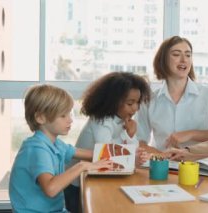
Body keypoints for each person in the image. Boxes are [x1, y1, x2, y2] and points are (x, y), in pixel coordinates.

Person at [9, 84, 114, 212]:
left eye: (69, 114)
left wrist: (126, 157)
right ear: (40, 117)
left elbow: (91, 154)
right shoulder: (37, 149)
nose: (70, 120)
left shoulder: (56, 144)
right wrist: (82, 166)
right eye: (63, 116)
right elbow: (51, 189)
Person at [64, 71, 151, 213]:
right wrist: (127, 135)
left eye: (137, 102)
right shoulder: (101, 120)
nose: (135, 108)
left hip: (99, 174)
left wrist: (132, 141)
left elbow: (132, 149)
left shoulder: (122, 118)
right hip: (77, 181)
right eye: (130, 103)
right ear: (113, 101)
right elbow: (106, 150)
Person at [136, 36, 208, 152]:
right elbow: (139, 141)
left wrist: (191, 134)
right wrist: (162, 157)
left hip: (199, 165)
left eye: (188, 55)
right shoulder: (149, 99)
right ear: (163, 60)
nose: (184, 60)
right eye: (176, 54)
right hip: (162, 164)